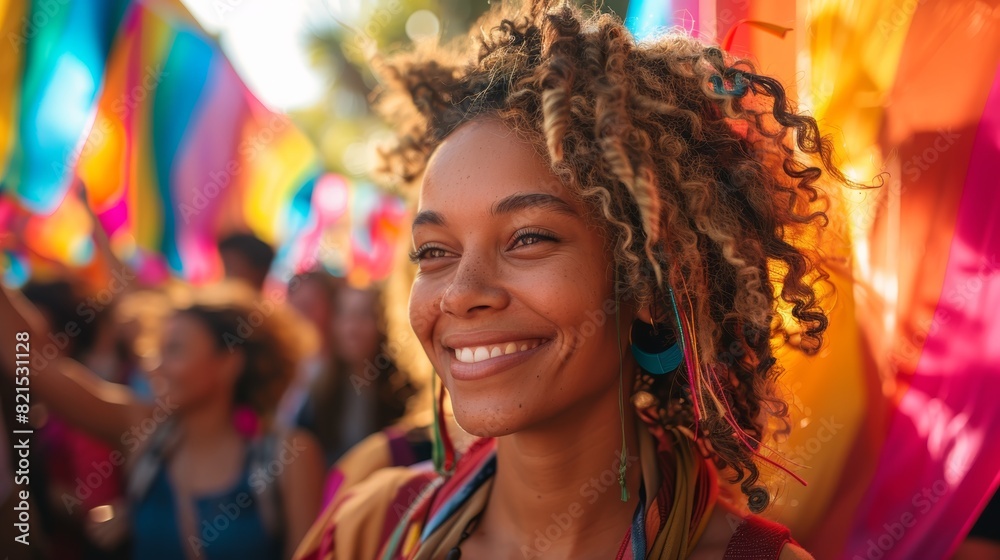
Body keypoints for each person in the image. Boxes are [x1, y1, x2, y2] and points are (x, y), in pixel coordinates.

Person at [295, 1, 851, 559]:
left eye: (528, 238)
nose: (461, 293)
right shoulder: (369, 531)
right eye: (434, 251)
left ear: (649, 281)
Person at [0, 280, 325, 559]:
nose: (156, 367)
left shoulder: (289, 455)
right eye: (158, 350)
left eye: (175, 351)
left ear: (229, 364)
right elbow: (33, 363)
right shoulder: (144, 432)